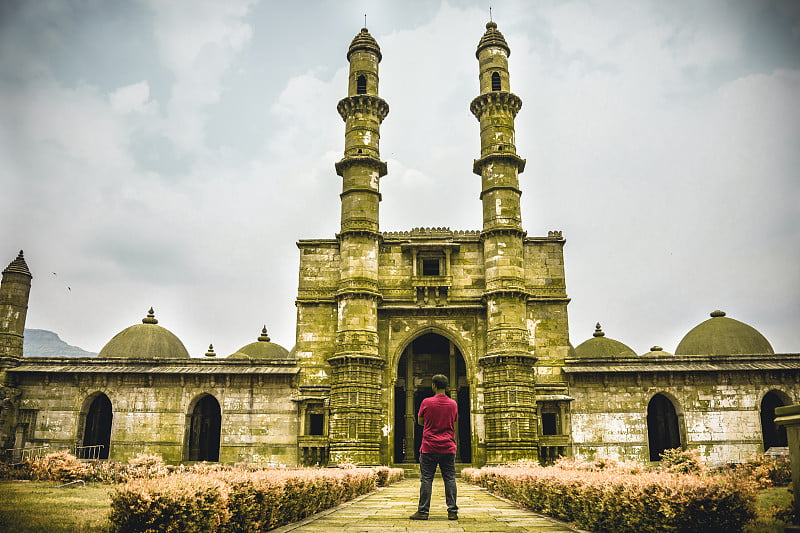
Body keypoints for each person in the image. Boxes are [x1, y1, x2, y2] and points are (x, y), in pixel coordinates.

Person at [409, 373, 459, 521]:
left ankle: (423, 512)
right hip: (448, 446)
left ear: (434, 386)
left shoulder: (426, 402)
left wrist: (432, 424)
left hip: (429, 446)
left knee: (426, 479)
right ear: (447, 386)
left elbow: (420, 421)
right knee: (450, 478)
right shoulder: (453, 404)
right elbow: (453, 421)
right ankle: (452, 511)